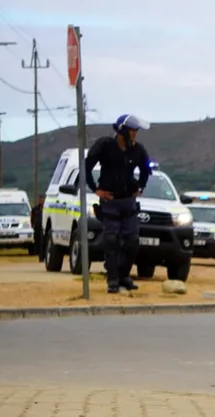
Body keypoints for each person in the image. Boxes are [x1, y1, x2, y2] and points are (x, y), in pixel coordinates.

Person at [85, 113, 152, 294]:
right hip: (110, 201)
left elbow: (146, 169)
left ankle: (124, 276)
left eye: (136, 131)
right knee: (111, 240)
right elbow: (86, 166)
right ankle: (112, 279)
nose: (135, 134)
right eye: (132, 131)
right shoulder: (105, 145)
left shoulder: (138, 149)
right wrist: (95, 189)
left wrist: (141, 186)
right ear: (122, 131)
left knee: (132, 241)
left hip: (128, 202)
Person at [31, 194, 45, 262]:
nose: (41, 201)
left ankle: (42, 257)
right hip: (37, 228)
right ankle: (40, 255)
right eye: (40, 199)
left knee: (43, 243)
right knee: (38, 242)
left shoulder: (46, 209)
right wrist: (32, 224)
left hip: (43, 228)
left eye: (42, 199)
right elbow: (32, 217)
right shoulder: (35, 209)